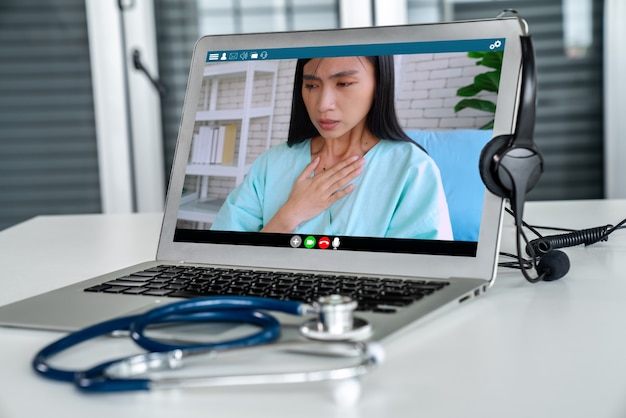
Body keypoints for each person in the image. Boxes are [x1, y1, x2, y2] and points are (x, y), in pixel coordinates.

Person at [211, 55, 453, 240]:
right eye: (312, 86)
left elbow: (423, 274)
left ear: (380, 83)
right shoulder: (271, 164)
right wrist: (290, 215)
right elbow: (221, 260)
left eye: (344, 83)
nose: (323, 105)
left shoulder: (412, 170)